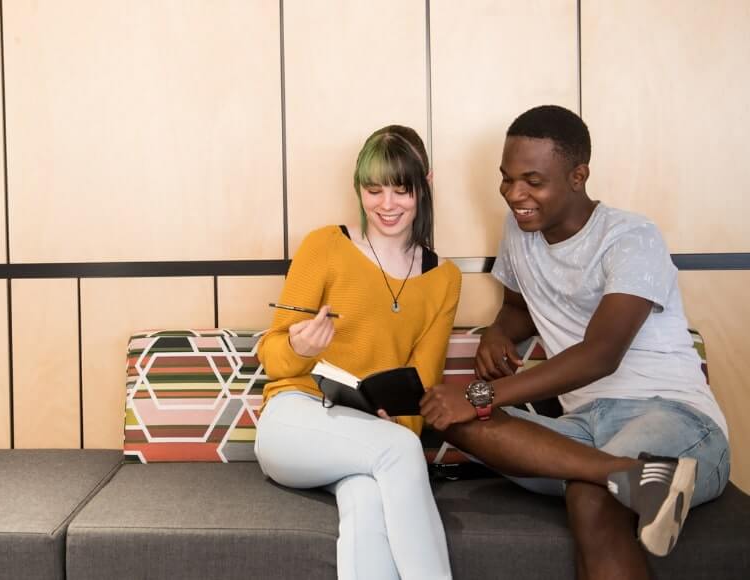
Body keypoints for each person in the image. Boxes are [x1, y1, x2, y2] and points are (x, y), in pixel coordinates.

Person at [420, 105, 729, 580]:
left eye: (532, 181)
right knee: (445, 417)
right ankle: (629, 475)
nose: (514, 195)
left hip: (670, 413)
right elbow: (520, 308)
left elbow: (601, 354)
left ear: (578, 176)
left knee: (589, 494)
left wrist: (480, 394)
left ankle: (630, 477)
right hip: (583, 425)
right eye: (506, 179)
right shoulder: (520, 231)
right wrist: (500, 331)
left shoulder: (631, 237)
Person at [255, 125, 460, 580]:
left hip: (367, 437)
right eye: (374, 190)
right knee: (399, 452)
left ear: (424, 185)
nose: (387, 205)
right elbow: (272, 356)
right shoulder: (325, 245)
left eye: (401, 190)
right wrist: (298, 345)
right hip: (295, 417)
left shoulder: (444, 279)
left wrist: (396, 421)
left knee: (368, 500)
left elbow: (420, 386)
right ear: (360, 189)